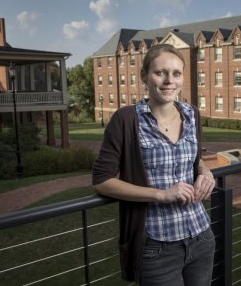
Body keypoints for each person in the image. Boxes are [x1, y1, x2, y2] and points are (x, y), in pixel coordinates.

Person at [92, 43, 216, 286]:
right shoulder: (126, 119)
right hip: (157, 248)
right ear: (144, 77)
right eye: (161, 73)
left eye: (176, 73)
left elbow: (193, 157)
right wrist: (162, 195)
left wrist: (204, 170)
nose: (169, 81)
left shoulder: (192, 114)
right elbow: (102, 181)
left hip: (201, 237)